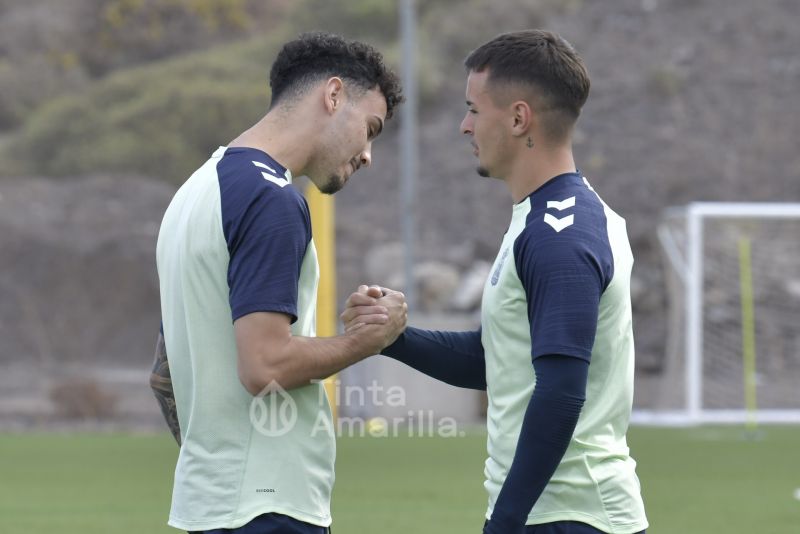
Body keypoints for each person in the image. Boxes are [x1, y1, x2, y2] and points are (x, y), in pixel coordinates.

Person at [342, 30, 648, 534]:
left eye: (473, 109)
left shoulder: (560, 233)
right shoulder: (546, 218)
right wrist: (392, 339)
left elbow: (561, 391)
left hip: (570, 518)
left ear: (518, 118)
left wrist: (504, 523)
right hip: (554, 516)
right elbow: (500, 360)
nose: (464, 126)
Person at [150, 32, 406, 534]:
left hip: (211, 503)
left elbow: (163, 376)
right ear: (333, 96)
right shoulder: (273, 199)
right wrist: (367, 339)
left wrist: (217, 467)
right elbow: (264, 365)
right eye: (370, 128)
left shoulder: (195, 190)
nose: (368, 154)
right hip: (267, 508)